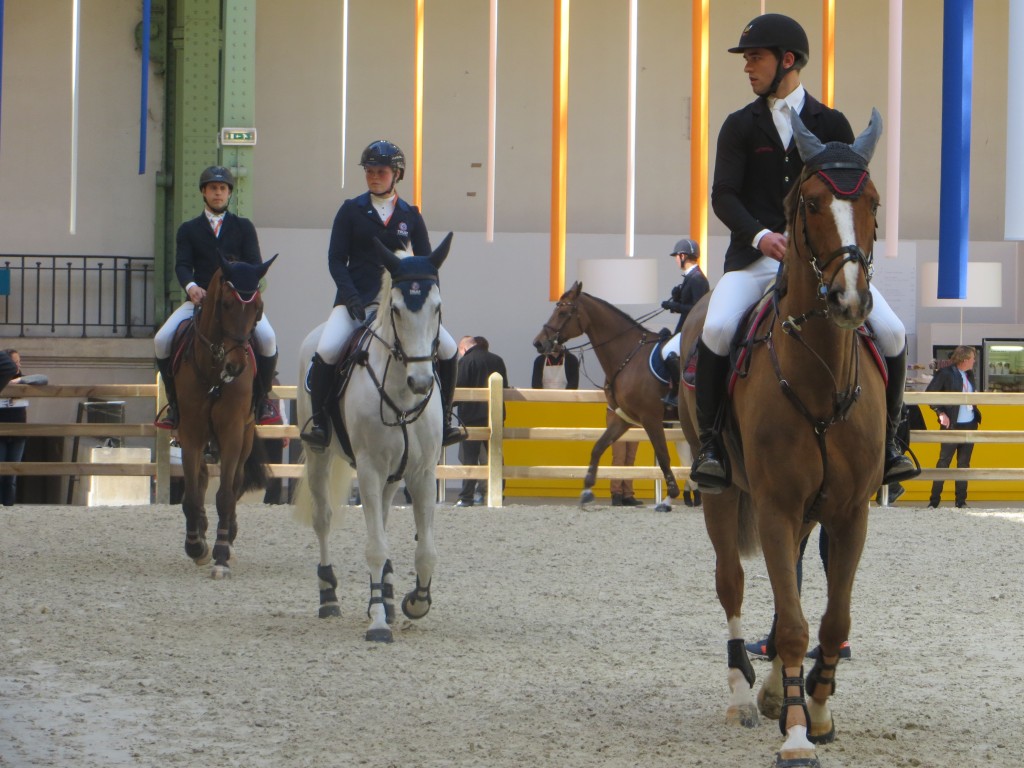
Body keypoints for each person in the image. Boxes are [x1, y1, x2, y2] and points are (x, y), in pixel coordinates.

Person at [690, 13, 918, 491]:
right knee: (715, 327)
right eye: (747, 58)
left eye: (756, 57)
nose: (747, 67)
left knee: (893, 332)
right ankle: (711, 445)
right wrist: (760, 237)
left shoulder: (830, 122)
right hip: (755, 261)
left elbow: (849, 192)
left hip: (822, 264)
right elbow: (723, 195)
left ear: (787, 60)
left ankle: (893, 441)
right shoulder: (740, 126)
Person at [300, 139, 463, 450]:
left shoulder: (410, 216)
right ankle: (320, 422)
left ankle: (445, 418)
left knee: (450, 349)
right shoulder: (351, 211)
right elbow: (336, 259)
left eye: (381, 171)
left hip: (402, 306)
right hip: (356, 301)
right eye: (370, 171)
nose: (374, 176)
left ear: (396, 174)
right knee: (327, 349)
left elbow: (428, 265)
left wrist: (424, 307)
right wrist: (350, 297)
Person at [153, 166, 280, 430]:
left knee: (268, 339)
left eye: (222, 188)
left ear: (229, 193)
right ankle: (175, 404)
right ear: (204, 192)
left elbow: (254, 263)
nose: (218, 193)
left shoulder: (243, 227)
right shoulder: (188, 230)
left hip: (237, 305)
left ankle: (263, 399)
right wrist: (190, 287)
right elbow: (183, 265)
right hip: (200, 301)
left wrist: (243, 289)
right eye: (213, 188)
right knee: (162, 339)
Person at [454, 336, 508, 507]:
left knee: (469, 458)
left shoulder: (466, 361)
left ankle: (466, 497)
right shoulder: (497, 360)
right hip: (495, 415)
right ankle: (498, 492)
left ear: (464, 348)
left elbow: (459, 388)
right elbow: (504, 387)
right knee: (496, 455)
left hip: (471, 416)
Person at [926, 346, 981, 509]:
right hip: (952, 425)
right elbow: (930, 394)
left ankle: (961, 501)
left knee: (964, 464)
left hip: (970, 424)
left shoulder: (969, 375)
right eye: (972, 358)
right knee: (944, 462)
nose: (974, 361)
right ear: (964, 359)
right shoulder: (945, 373)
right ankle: (934, 501)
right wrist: (940, 412)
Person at [659, 238, 710, 409]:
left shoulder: (697, 279)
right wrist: (677, 297)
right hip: (684, 326)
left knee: (667, 351)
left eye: (676, 256)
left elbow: (696, 309)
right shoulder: (691, 277)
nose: (675, 259)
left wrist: (675, 305)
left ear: (683, 256)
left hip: (692, 330)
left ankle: (678, 393)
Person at [0, 350, 31, 505]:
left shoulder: (23, 379)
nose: (18, 364)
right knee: (1, 471)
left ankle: (9, 506)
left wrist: (18, 382)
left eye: (19, 361)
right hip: (2, 432)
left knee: (12, 475)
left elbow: (43, 379)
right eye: (15, 361)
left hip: (19, 432)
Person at [607, 407, 642, 507]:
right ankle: (616, 493)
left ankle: (628, 494)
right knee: (619, 456)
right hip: (616, 411)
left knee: (631, 457)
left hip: (635, 412)